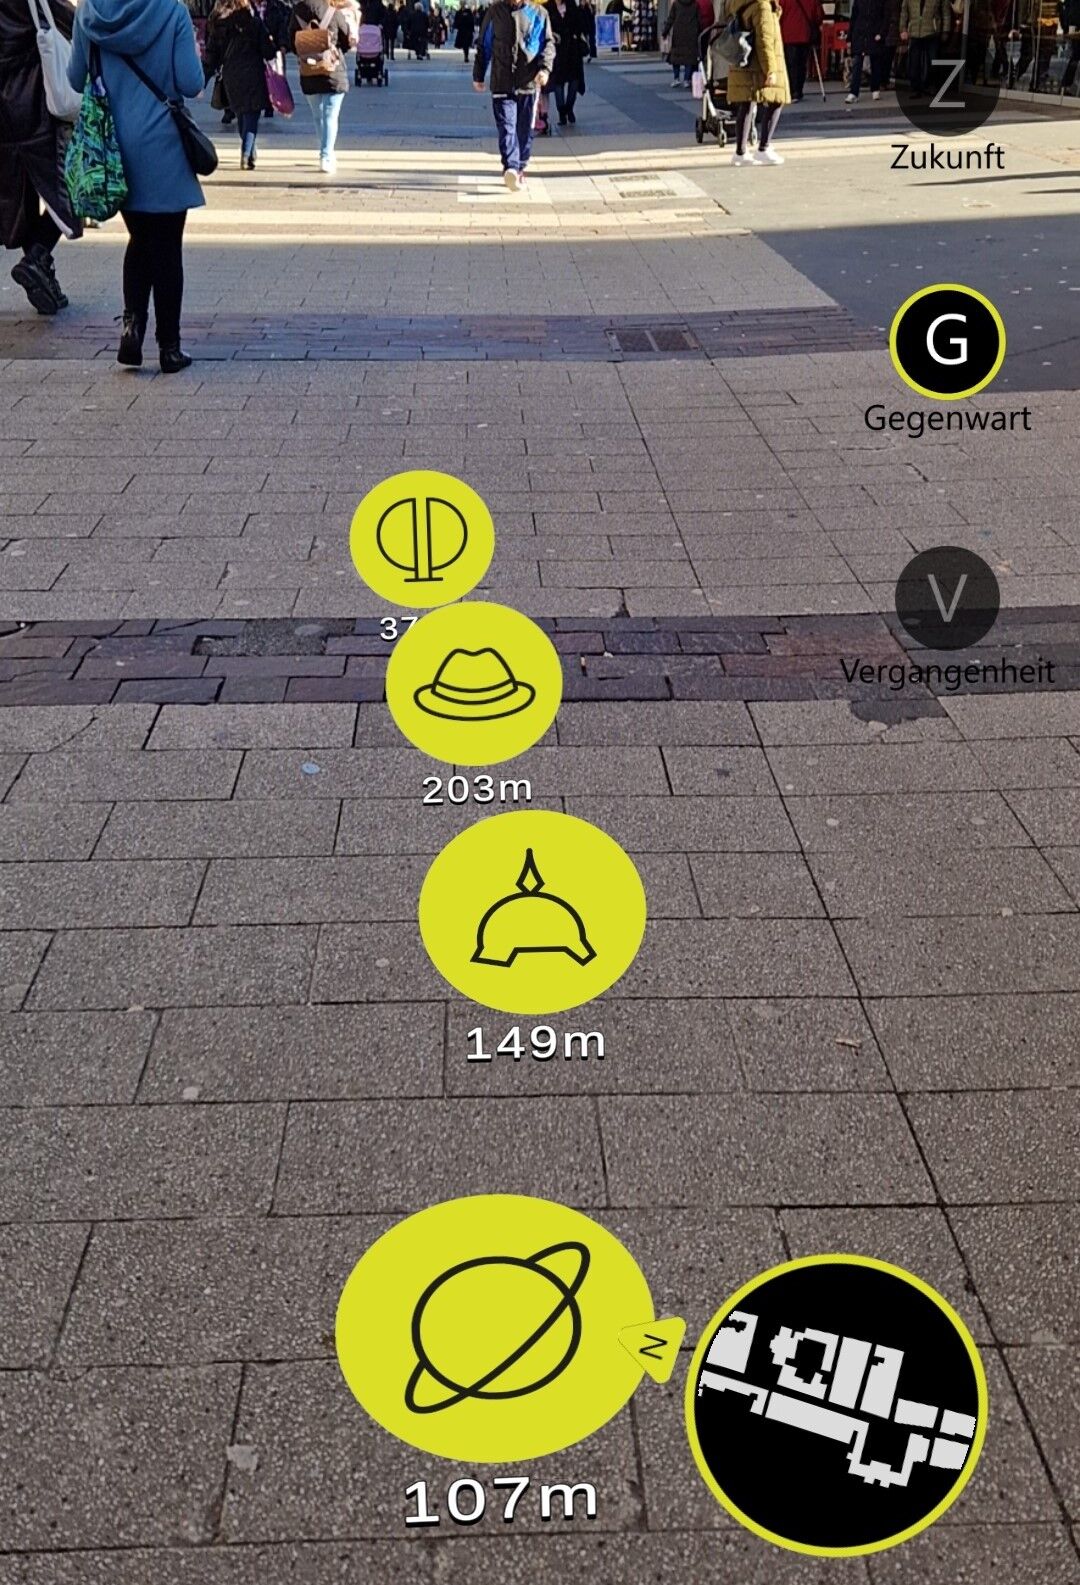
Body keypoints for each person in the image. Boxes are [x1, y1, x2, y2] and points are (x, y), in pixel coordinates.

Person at [69, 0, 203, 371]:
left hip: (114, 148)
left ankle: (132, 330)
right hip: (164, 146)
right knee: (167, 246)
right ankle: (169, 347)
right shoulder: (172, 11)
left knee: (140, 239)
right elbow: (191, 82)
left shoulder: (89, 13)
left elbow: (74, 77)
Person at [0, 0, 82, 316]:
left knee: (20, 193)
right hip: (35, 103)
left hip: (5, 114)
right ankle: (36, 257)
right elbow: (75, 23)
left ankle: (40, 270)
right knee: (69, 184)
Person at [472, 0, 554, 189]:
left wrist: (545, 69)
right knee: (507, 127)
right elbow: (484, 45)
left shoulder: (539, 13)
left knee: (524, 130)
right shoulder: (494, 12)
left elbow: (548, 45)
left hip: (528, 83)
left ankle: (520, 166)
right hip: (502, 80)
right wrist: (479, 75)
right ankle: (511, 167)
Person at [288, 0, 358, 173]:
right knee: (330, 115)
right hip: (332, 70)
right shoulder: (333, 12)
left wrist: (308, 50)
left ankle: (326, 151)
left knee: (318, 116)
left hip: (308, 71)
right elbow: (346, 40)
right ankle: (326, 155)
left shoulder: (297, 13)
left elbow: (292, 42)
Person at [203, 0, 274, 169]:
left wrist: (203, 79)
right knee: (251, 114)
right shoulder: (254, 23)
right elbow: (268, 51)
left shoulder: (218, 24)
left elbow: (211, 55)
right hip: (254, 73)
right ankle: (247, 153)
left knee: (242, 113)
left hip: (231, 75)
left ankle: (250, 151)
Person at [724, 0, 790, 163]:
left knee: (747, 104)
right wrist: (771, 70)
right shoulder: (762, 6)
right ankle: (764, 147)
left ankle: (740, 152)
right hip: (758, 66)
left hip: (745, 64)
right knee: (776, 100)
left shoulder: (742, 4)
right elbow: (765, 41)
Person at [845, 0, 895, 100]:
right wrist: (849, 37)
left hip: (874, 34)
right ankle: (854, 92)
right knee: (857, 63)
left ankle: (875, 89)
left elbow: (886, 17)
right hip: (860, 34)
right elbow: (853, 17)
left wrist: (881, 33)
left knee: (875, 62)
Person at [548, 0, 589, 120]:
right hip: (557, 50)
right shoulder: (548, 8)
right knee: (558, 82)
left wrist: (583, 9)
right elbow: (545, 28)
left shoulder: (572, 6)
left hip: (573, 49)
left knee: (574, 81)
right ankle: (561, 112)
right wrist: (552, 35)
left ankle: (569, 108)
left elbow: (582, 26)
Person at [898, 0, 942, 95]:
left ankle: (931, 85)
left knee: (933, 60)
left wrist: (944, 30)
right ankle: (915, 87)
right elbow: (904, 12)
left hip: (931, 32)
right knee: (914, 61)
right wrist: (903, 29)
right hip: (914, 32)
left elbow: (944, 12)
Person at [781, 0, 822, 98]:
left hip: (788, 36)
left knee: (790, 64)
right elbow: (818, 16)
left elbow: (779, 14)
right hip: (805, 35)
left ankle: (792, 89)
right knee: (801, 64)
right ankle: (798, 90)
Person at [662, 0, 700, 84]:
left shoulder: (676, 4)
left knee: (676, 57)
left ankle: (676, 78)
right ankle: (686, 79)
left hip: (678, 34)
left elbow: (670, 19)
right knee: (689, 58)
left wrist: (665, 32)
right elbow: (699, 20)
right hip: (691, 35)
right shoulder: (695, 5)